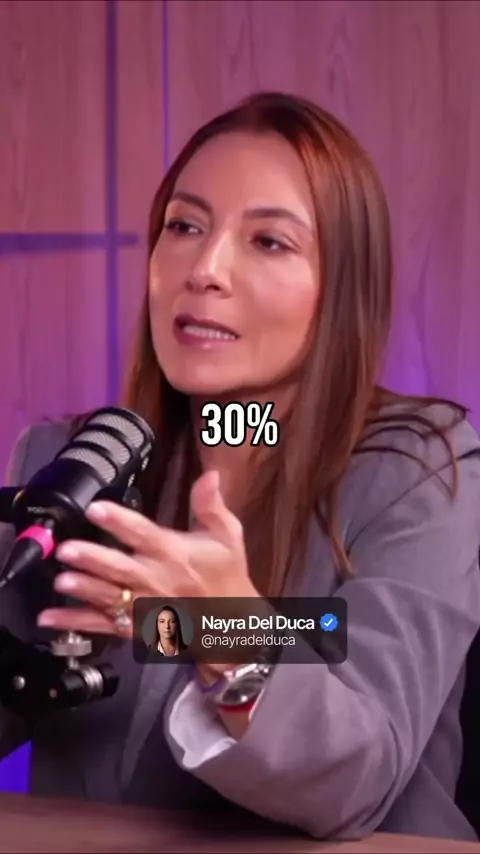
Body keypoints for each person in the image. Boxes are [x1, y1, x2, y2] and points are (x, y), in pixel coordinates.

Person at [0, 90, 479, 840]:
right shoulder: (71, 462)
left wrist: (216, 626)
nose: (206, 268)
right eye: (184, 226)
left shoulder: (417, 470)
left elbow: (360, 772)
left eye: (269, 242)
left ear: (340, 288)